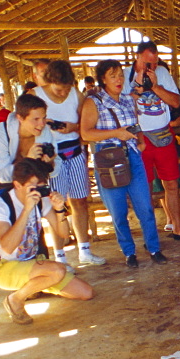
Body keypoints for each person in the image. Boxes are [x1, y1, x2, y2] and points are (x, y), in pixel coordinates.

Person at [81, 59, 167, 267]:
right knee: (118, 211)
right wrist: (116, 133)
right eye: (113, 76)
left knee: (145, 206)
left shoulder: (129, 100)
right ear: (103, 79)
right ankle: (129, 253)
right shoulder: (94, 102)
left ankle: (154, 248)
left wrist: (141, 142)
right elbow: (85, 133)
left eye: (120, 75)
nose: (118, 79)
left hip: (132, 156)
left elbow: (136, 125)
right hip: (109, 159)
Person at [0, 158, 93, 325]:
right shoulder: (1, 205)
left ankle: (40, 283)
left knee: (86, 293)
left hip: (31, 263)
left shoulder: (41, 201)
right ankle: (15, 299)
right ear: (17, 185)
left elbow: (63, 234)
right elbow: (7, 247)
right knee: (58, 270)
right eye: (33, 186)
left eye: (41, 185)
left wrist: (60, 209)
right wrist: (26, 210)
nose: (37, 191)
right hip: (3, 267)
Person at [34, 60, 107, 266]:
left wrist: (72, 127)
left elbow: (87, 120)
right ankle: (60, 256)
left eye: (66, 88)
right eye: (59, 89)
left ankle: (84, 249)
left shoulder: (76, 94)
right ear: (49, 82)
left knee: (79, 201)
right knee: (55, 204)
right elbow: (26, 123)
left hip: (74, 151)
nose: (62, 93)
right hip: (51, 158)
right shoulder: (36, 96)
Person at [123, 41, 180, 242]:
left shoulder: (162, 73)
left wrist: (155, 86)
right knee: (143, 188)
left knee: (171, 183)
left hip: (163, 135)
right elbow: (122, 105)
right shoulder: (124, 74)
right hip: (139, 137)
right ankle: (150, 236)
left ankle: (178, 228)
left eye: (154, 63)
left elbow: (176, 102)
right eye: (147, 63)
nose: (151, 67)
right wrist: (138, 87)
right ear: (137, 57)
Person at [0, 93, 60, 197]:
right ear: (20, 118)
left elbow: (55, 170)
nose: (42, 124)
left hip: (28, 184)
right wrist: (28, 161)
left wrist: (50, 164)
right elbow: (1, 175)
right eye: (36, 119)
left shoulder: (45, 131)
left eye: (44, 118)